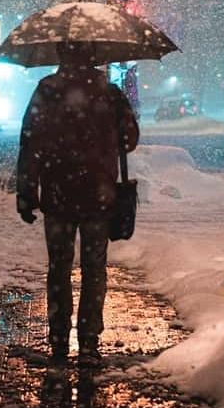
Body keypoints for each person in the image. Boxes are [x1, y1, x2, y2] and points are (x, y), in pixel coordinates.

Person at [16, 42, 139, 365]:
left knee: (59, 267)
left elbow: (30, 142)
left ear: (60, 55)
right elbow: (130, 140)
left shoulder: (47, 90)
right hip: (98, 195)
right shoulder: (108, 92)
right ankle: (88, 343)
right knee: (94, 268)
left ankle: (58, 341)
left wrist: (27, 192)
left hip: (57, 195)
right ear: (94, 56)